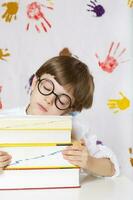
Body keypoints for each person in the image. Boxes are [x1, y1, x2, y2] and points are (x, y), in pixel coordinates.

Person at [0, 54, 119, 177]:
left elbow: (112, 169)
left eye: (62, 100)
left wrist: (88, 161)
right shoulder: (3, 120)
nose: (49, 100)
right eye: (46, 87)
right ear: (35, 83)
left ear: (69, 108)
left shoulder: (76, 129)